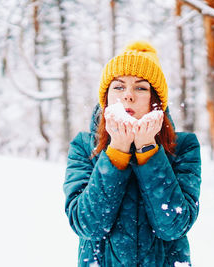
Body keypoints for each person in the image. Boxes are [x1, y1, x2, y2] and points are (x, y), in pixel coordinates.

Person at [63, 41, 201, 267]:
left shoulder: (183, 147)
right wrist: (117, 151)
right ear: (106, 97)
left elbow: (173, 226)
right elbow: (88, 225)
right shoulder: (84, 147)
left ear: (156, 100)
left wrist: (148, 150)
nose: (128, 96)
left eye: (140, 87)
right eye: (118, 87)